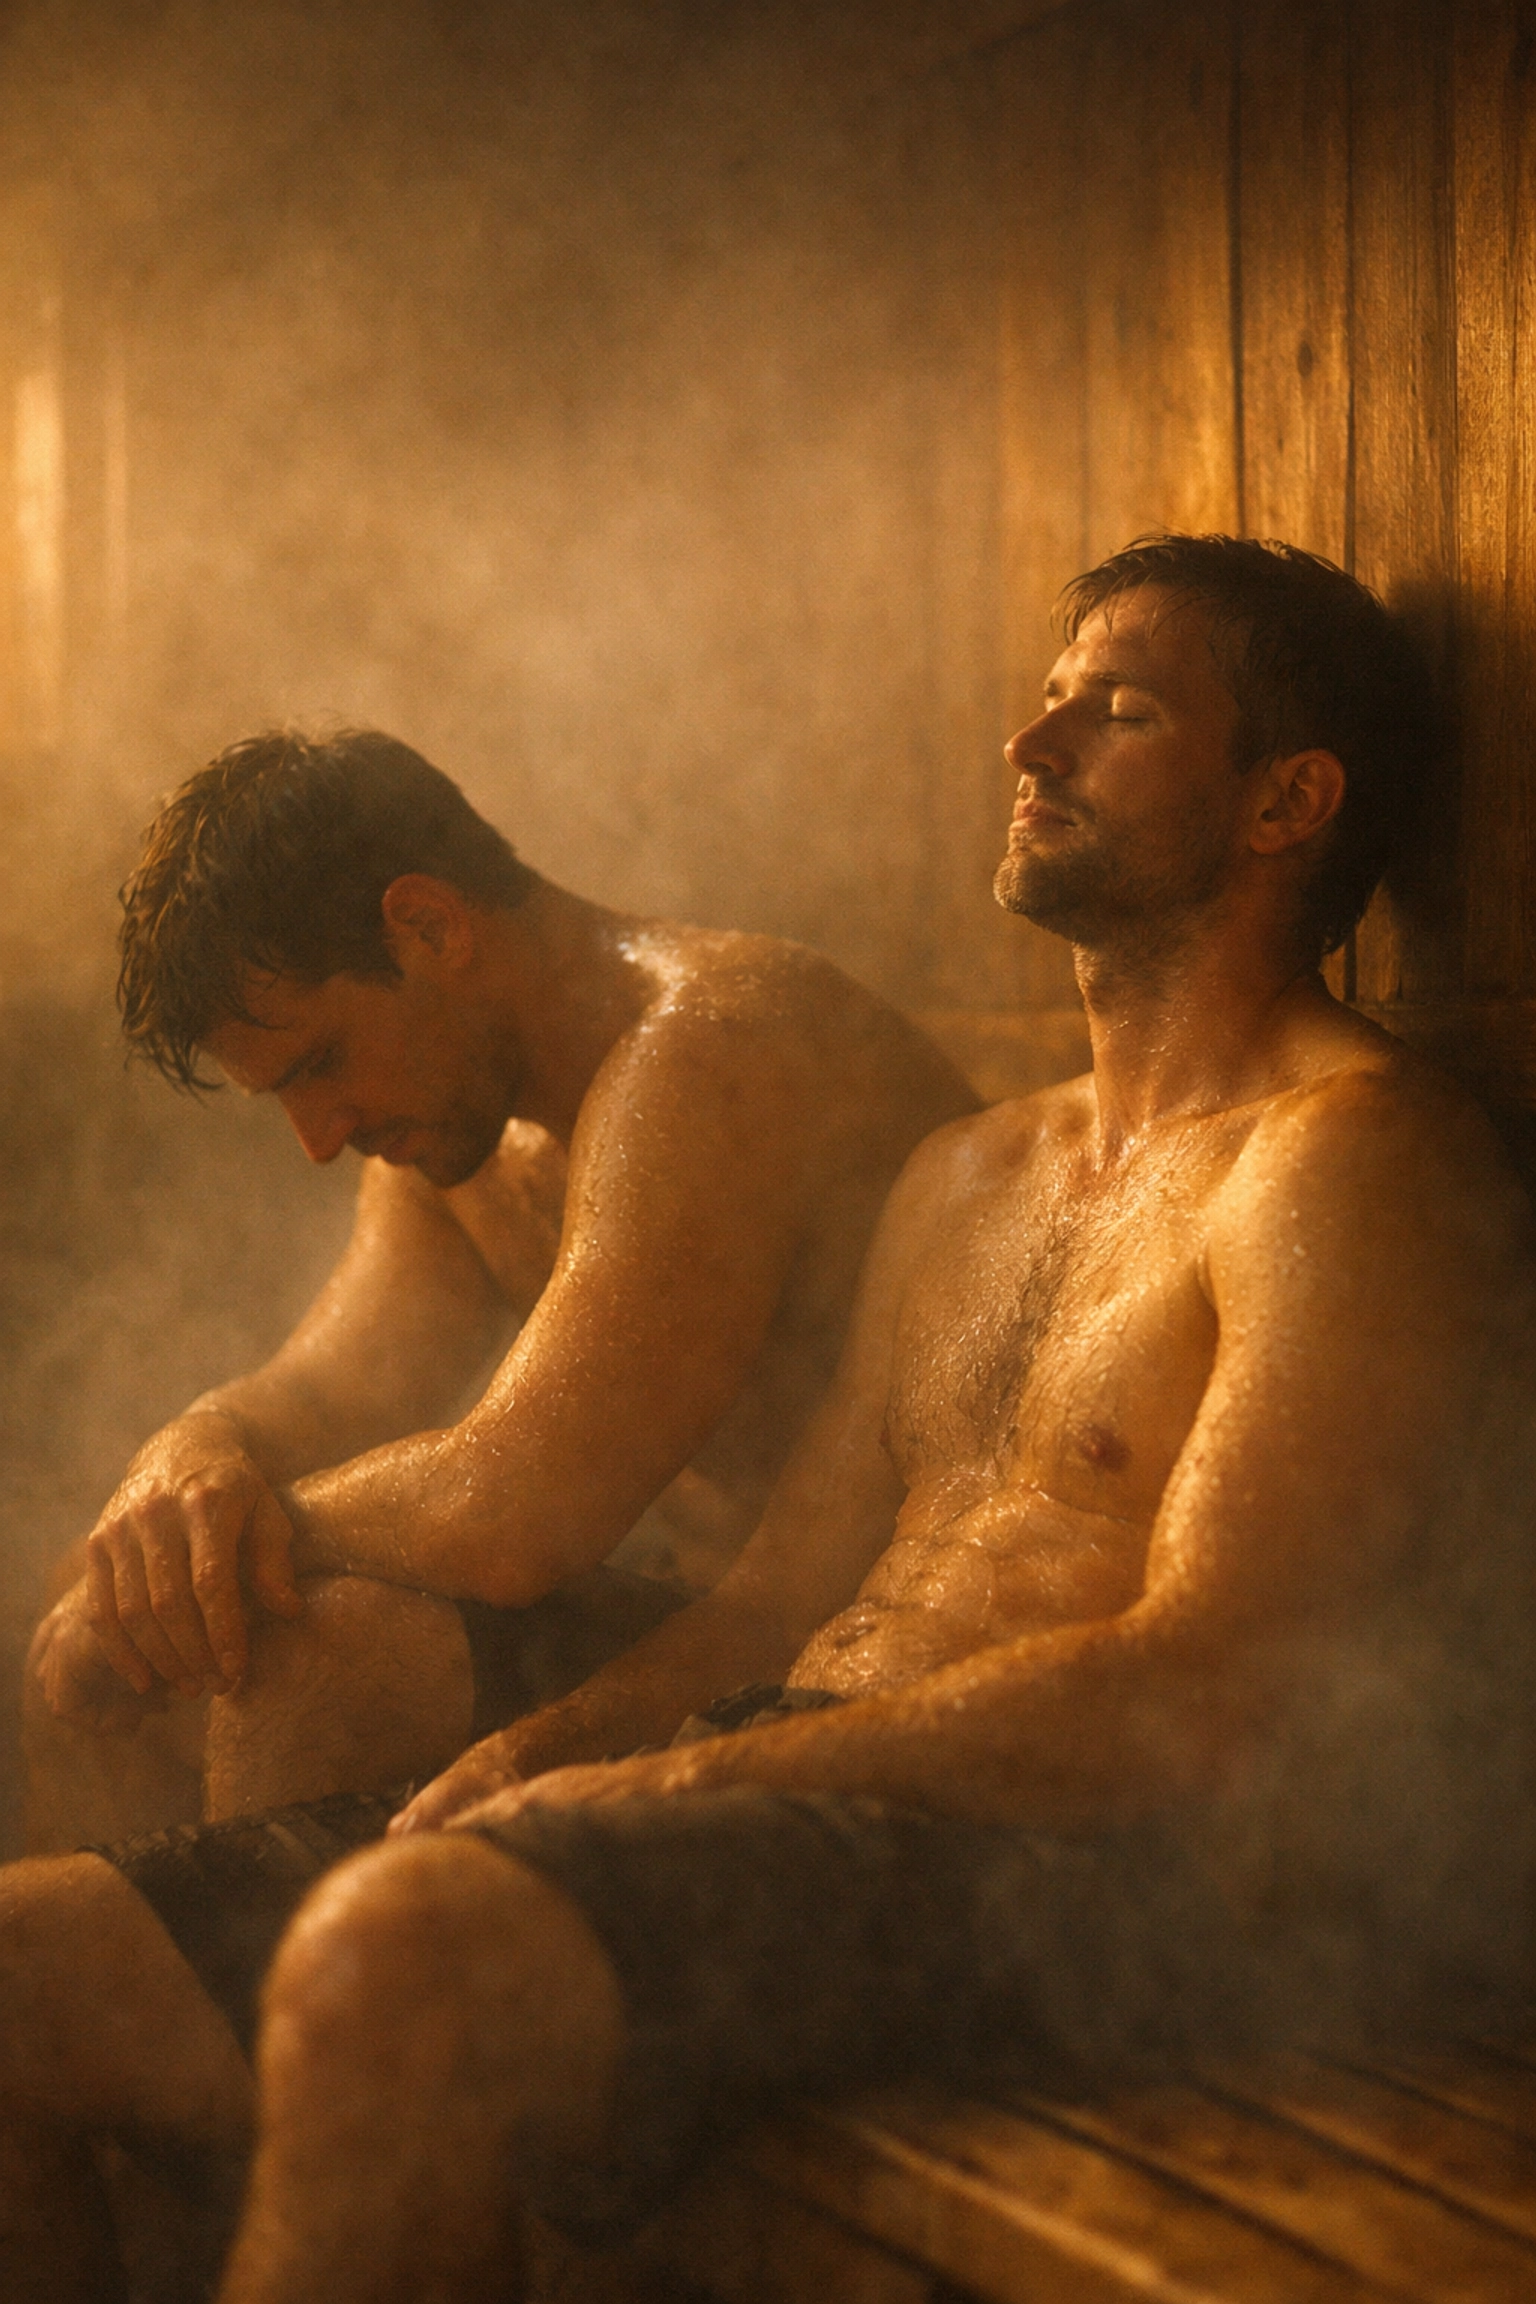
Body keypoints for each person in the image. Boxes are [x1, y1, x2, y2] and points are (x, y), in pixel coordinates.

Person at [0, 536, 1530, 2304]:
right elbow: (758, 1602)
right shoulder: (974, 1172)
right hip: (800, 1758)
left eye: (1112, 714)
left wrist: (681, 1768)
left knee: (391, 1952)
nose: (1030, 749)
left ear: (1287, 801)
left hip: (1072, 1866)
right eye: (1041, 706)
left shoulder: (1344, 1157)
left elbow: (1209, 1681)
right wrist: (545, 1746)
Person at [23, 729, 977, 1850]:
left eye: (320, 1063)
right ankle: (126, 2005)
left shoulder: (708, 1052)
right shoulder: (464, 1133)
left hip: (862, 1635)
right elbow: (333, 1390)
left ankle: (273, 2017)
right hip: (687, 1602)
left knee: (298, 1653)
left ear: (429, 926)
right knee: (116, 1643)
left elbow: (514, 1513)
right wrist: (188, 1455)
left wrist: (235, 1538)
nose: (319, 1141)